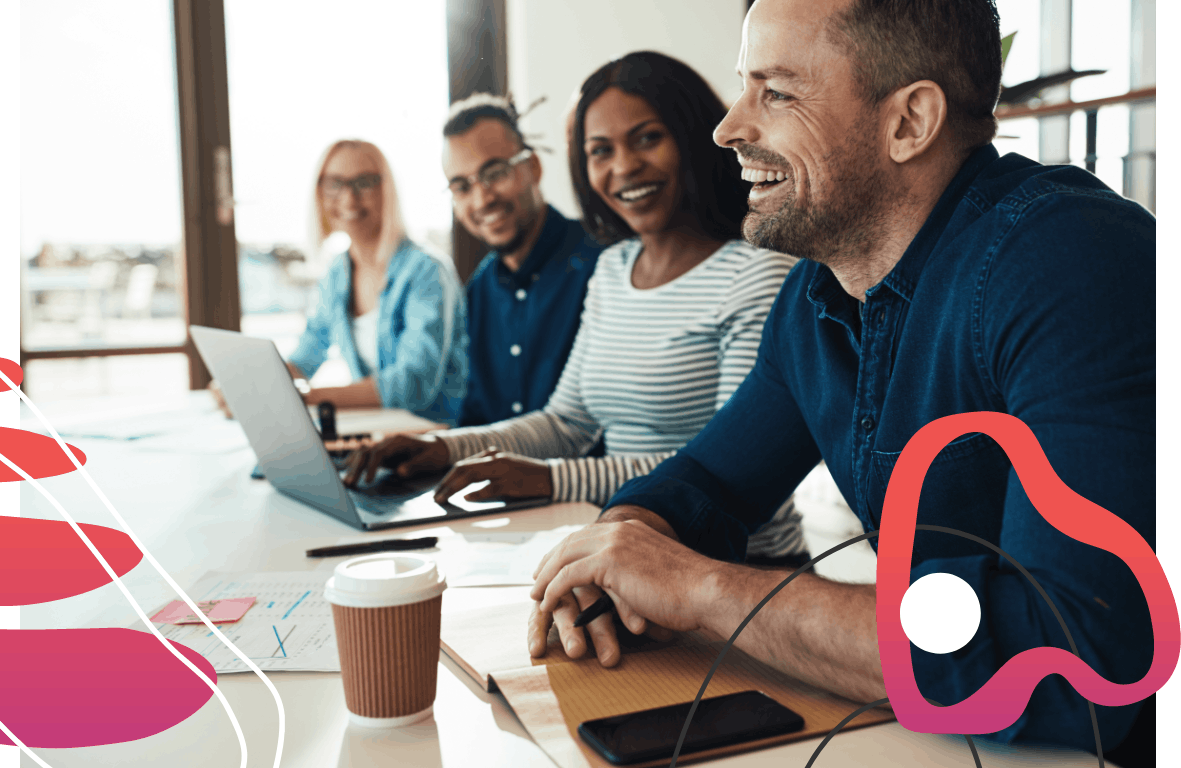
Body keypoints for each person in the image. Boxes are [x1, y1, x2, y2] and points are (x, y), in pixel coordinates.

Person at [526, 0, 1155, 756]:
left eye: (777, 92)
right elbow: (706, 483)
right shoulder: (818, 291)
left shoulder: (1069, 264)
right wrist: (619, 551)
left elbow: (1066, 658)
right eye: (742, 86)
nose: (728, 128)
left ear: (908, 122)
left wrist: (702, 589)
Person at [344, 51, 809, 586]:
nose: (623, 167)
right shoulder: (613, 269)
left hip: (739, 573)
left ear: (691, 138)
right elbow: (567, 422)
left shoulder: (754, 272)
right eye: (600, 151)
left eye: (646, 138)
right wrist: (443, 449)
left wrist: (549, 480)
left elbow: (720, 466)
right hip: (634, 552)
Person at [211, 140, 468, 425]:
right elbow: (309, 353)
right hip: (378, 433)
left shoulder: (427, 271)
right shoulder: (338, 273)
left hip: (434, 440)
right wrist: (251, 387)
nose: (348, 199)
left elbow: (413, 385)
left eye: (364, 183)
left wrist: (297, 399)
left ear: (387, 190)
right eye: (334, 184)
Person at [442, 94, 604, 429]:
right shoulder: (479, 289)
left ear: (533, 167)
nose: (482, 199)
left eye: (495, 173)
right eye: (461, 187)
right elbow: (476, 414)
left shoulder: (602, 264)